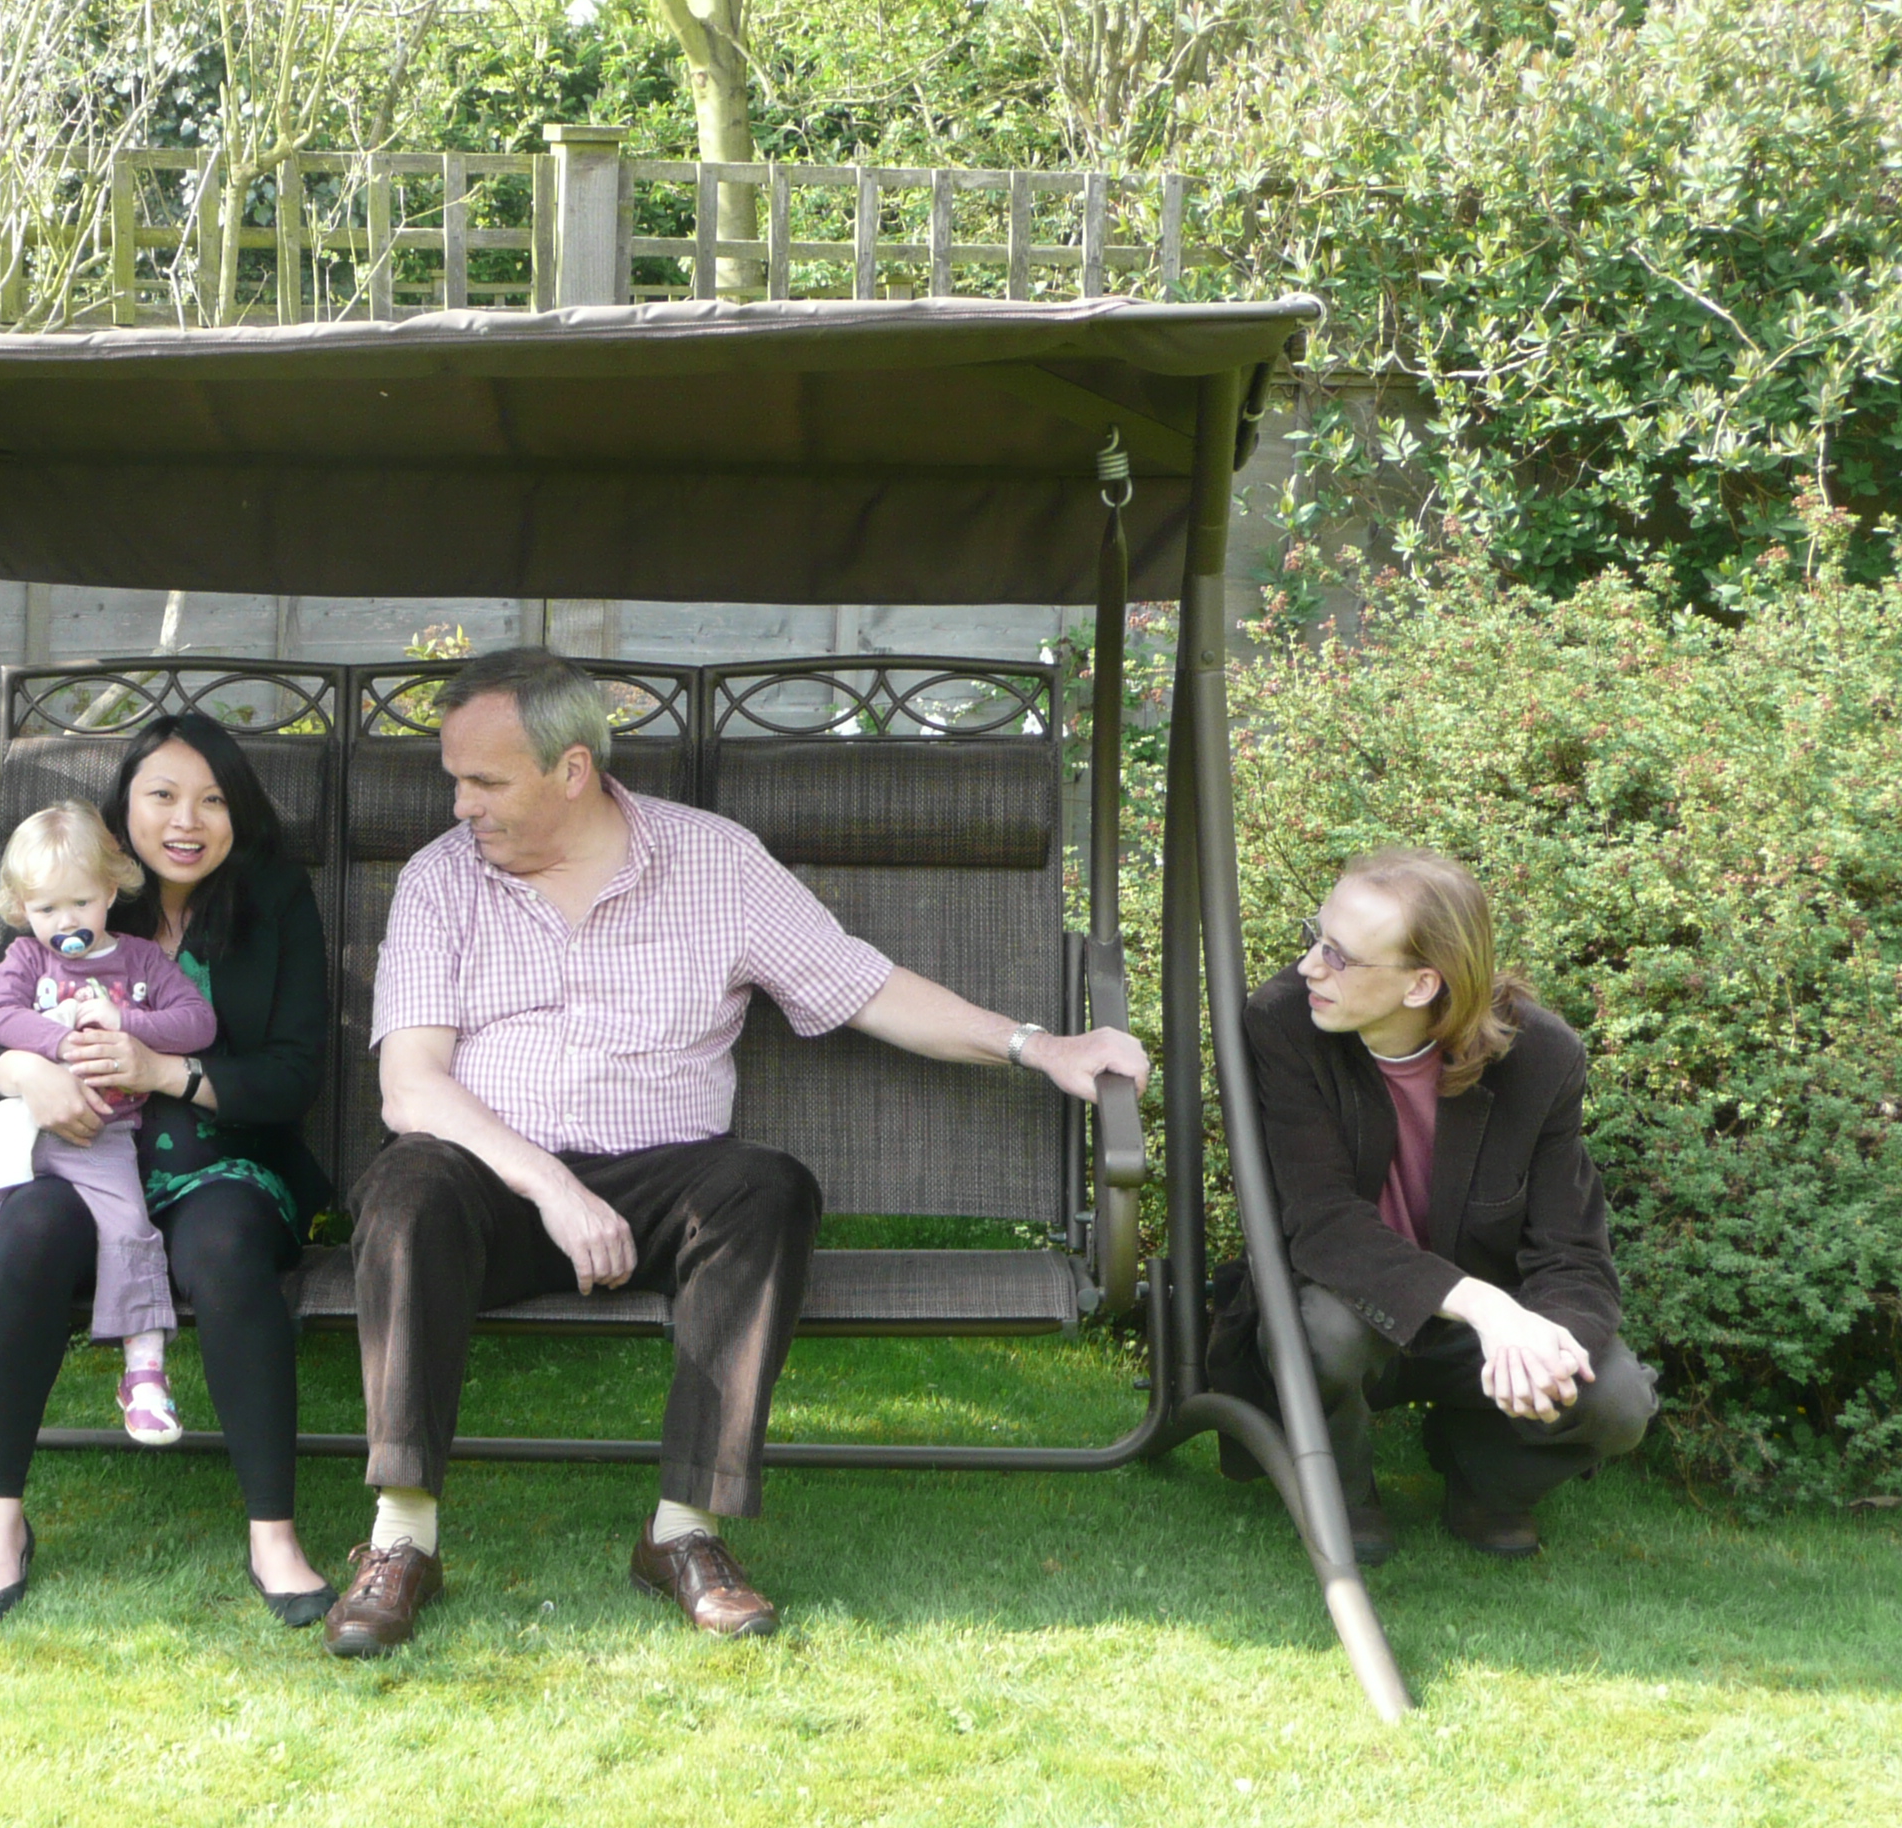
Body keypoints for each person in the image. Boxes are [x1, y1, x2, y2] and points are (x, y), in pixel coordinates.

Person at [323, 646, 1150, 1658]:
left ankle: (682, 1533)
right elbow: (411, 1087)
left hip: (662, 1185)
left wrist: (1040, 1046)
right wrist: (552, 1188)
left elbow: (860, 984)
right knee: (406, 1188)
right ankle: (401, 1540)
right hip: (489, 1183)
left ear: (572, 770)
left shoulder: (713, 864)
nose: (460, 806)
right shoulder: (439, 879)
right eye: (454, 779)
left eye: (484, 781)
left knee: (767, 1188)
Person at [0, 714, 340, 1628]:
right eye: (162, 796)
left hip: (225, 1165)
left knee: (229, 1247)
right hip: (87, 1162)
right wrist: (25, 1073)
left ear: (240, 815)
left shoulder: (276, 903)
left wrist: (167, 1073)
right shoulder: (83, 895)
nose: (186, 820)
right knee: (30, 1226)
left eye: (213, 800)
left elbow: (294, 1073)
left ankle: (273, 1536)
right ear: (124, 812)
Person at [1221, 847, 1653, 1561]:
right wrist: (1487, 1307)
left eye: (1339, 955)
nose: (1309, 967)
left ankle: (1484, 1478)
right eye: (1316, 937)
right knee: (1320, 1333)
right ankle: (1342, 1493)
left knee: (1616, 1399)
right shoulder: (1286, 1023)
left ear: (1423, 984)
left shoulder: (1541, 1058)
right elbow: (1323, 1225)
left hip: (1475, 1337)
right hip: (1350, 1306)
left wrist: (1539, 1347)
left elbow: (1574, 1254)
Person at [0, 799, 218, 1482]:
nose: (65, 922)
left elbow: (198, 1022)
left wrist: (127, 1021)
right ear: (21, 909)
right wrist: (59, 1043)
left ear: (110, 891)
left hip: (103, 1132)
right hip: (19, 1126)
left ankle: (144, 1373)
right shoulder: (25, 958)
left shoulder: (140, 962)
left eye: (80, 903)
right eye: (46, 909)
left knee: (128, 1225)